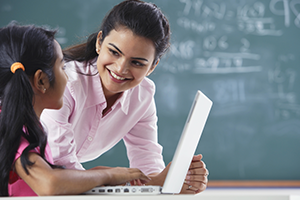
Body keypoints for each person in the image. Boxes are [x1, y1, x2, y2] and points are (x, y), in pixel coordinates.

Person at [41, 0, 208, 194]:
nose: (120, 69)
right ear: (99, 42)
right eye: (114, 52)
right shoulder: (66, 84)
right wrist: (112, 179)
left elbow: (147, 159)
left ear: (152, 66)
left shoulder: (142, 96)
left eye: (137, 63)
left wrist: (174, 181)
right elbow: (62, 169)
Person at [0, 23, 150, 197]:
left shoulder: (28, 127)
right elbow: (50, 183)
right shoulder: (11, 129)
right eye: (63, 67)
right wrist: (109, 174)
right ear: (41, 81)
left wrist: (95, 175)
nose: (67, 76)